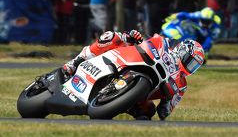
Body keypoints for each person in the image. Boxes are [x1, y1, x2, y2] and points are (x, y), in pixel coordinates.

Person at [62, 29, 205, 120]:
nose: (190, 67)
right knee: (113, 36)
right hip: (130, 60)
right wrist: (134, 38)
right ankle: (75, 62)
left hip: (141, 93)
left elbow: (165, 112)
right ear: (182, 51)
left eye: (194, 66)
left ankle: (118, 104)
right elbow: (148, 42)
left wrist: (167, 100)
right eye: (190, 62)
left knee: (149, 111)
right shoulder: (165, 44)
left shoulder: (181, 86)